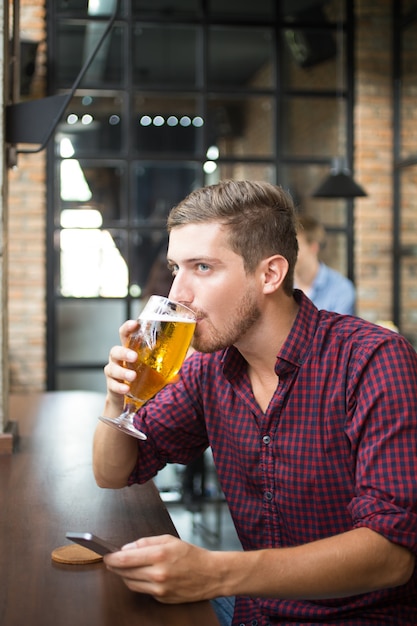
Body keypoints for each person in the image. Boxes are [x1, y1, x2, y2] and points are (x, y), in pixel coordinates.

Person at [93, 179, 417, 626]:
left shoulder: (373, 360)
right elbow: (114, 472)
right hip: (256, 612)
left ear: (270, 274)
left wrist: (217, 573)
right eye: (175, 269)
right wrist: (118, 398)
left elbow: (393, 556)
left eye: (202, 267)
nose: (178, 293)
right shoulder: (210, 370)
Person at [295, 214, 356, 315]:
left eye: (295, 246)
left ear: (313, 247)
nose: (288, 252)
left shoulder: (341, 290)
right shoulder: (279, 287)